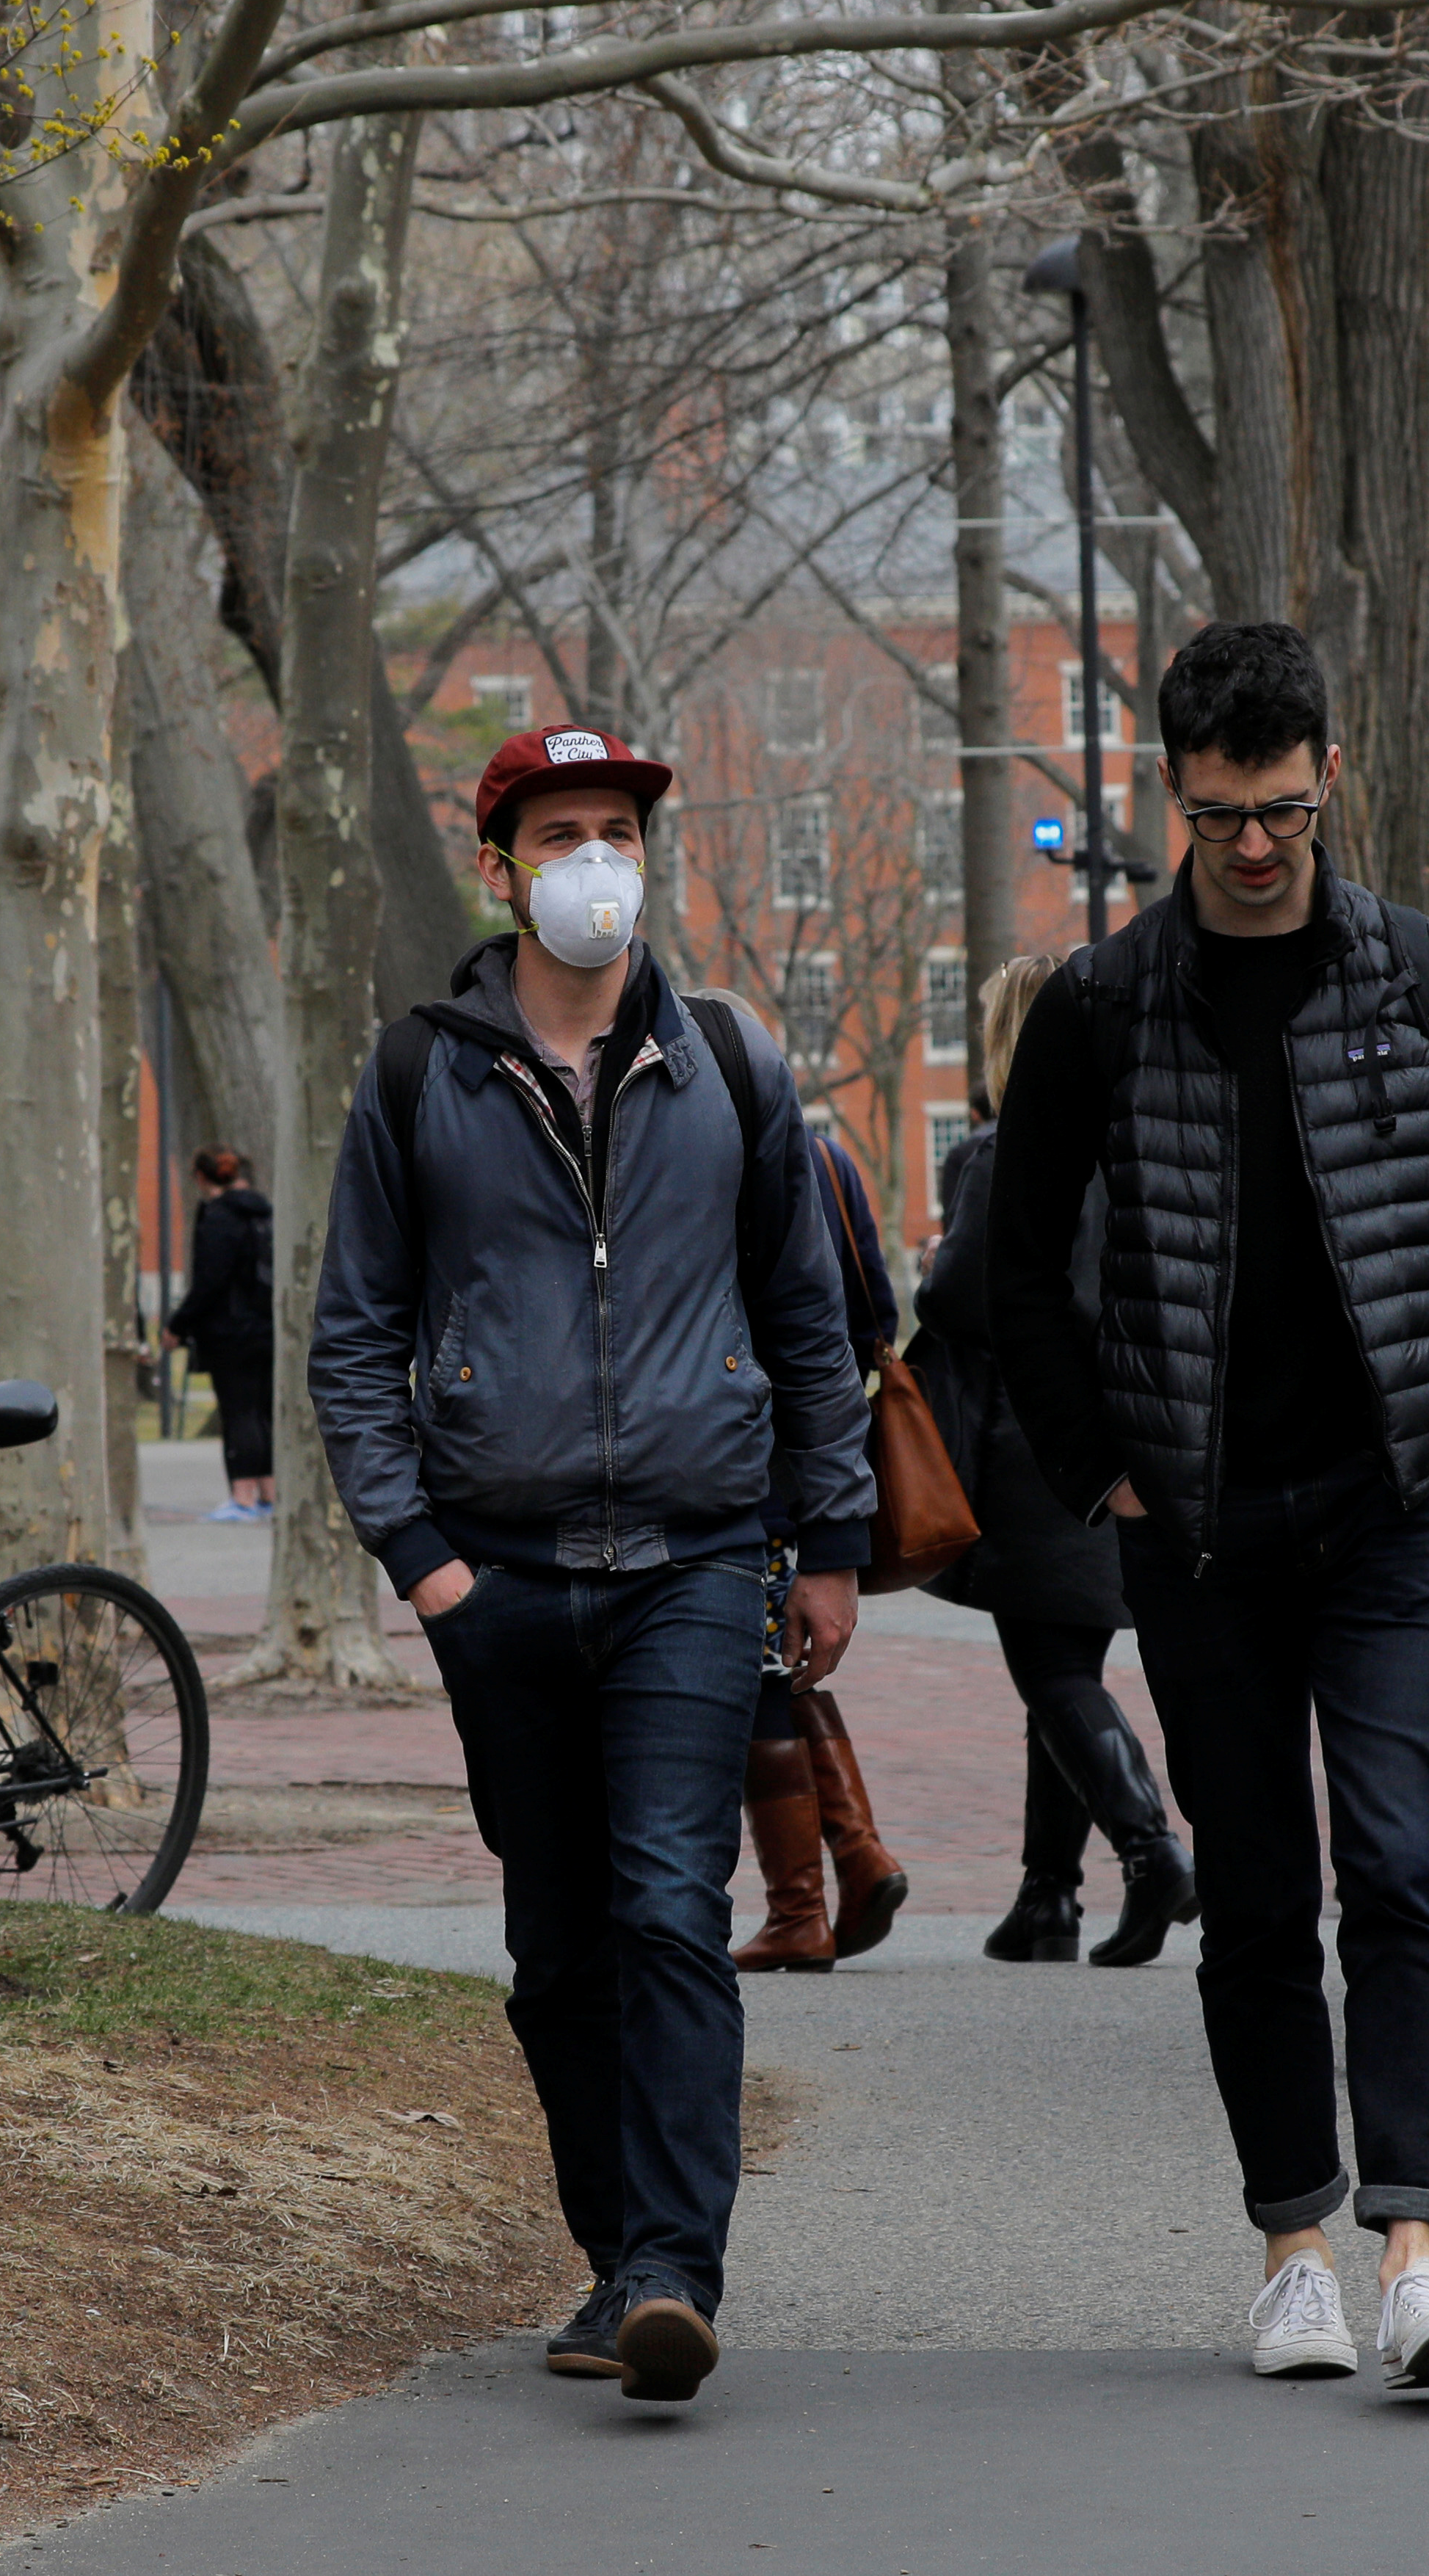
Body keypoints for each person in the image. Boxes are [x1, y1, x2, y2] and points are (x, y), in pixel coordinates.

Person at [989, 621, 1429, 2392]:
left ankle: (1415, 2250)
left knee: (1397, 1858)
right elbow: (1012, 1269)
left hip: (1395, 1508)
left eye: (1285, 810)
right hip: (1200, 1528)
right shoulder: (1098, 1005)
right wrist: (1103, 1458)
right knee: (1253, 1892)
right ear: (1172, 790)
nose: (1255, 845)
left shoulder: (1425, 975)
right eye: (1223, 812)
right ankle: (1291, 2247)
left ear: (1332, 776)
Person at [312, 720, 871, 2409]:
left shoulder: (730, 1060)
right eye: (561, 829)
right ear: (503, 863)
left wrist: (827, 1534)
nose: (594, 859)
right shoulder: (421, 1072)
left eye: (617, 827)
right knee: (558, 1939)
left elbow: (806, 1310)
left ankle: (674, 2269)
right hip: (499, 1576)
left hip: (696, 1562)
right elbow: (352, 1337)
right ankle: (616, 2243)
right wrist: (422, 1564)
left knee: (664, 1906)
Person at [914, 956, 1196, 1968]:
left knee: (1049, 1669)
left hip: (1035, 1442)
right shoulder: (1136, 1146)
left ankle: (1149, 1845)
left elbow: (960, 1297)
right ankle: (1048, 1895)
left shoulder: (1005, 1155)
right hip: (1125, 1431)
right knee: (1065, 1662)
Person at [730, 1121, 914, 1973]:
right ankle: (857, 1851)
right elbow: (875, 1306)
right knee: (782, 1657)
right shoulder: (832, 1153)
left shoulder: (725, 1153)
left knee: (758, 1673)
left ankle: (798, 1908)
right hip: (825, 1436)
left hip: (751, 1443)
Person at [163, 1147, 279, 1522]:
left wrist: (178, 1325)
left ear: (201, 1177)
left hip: (230, 1331)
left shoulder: (219, 1217)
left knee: (238, 1412)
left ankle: (242, 1495)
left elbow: (210, 1280)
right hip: (267, 1326)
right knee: (262, 1410)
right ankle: (267, 1491)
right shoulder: (264, 1213)